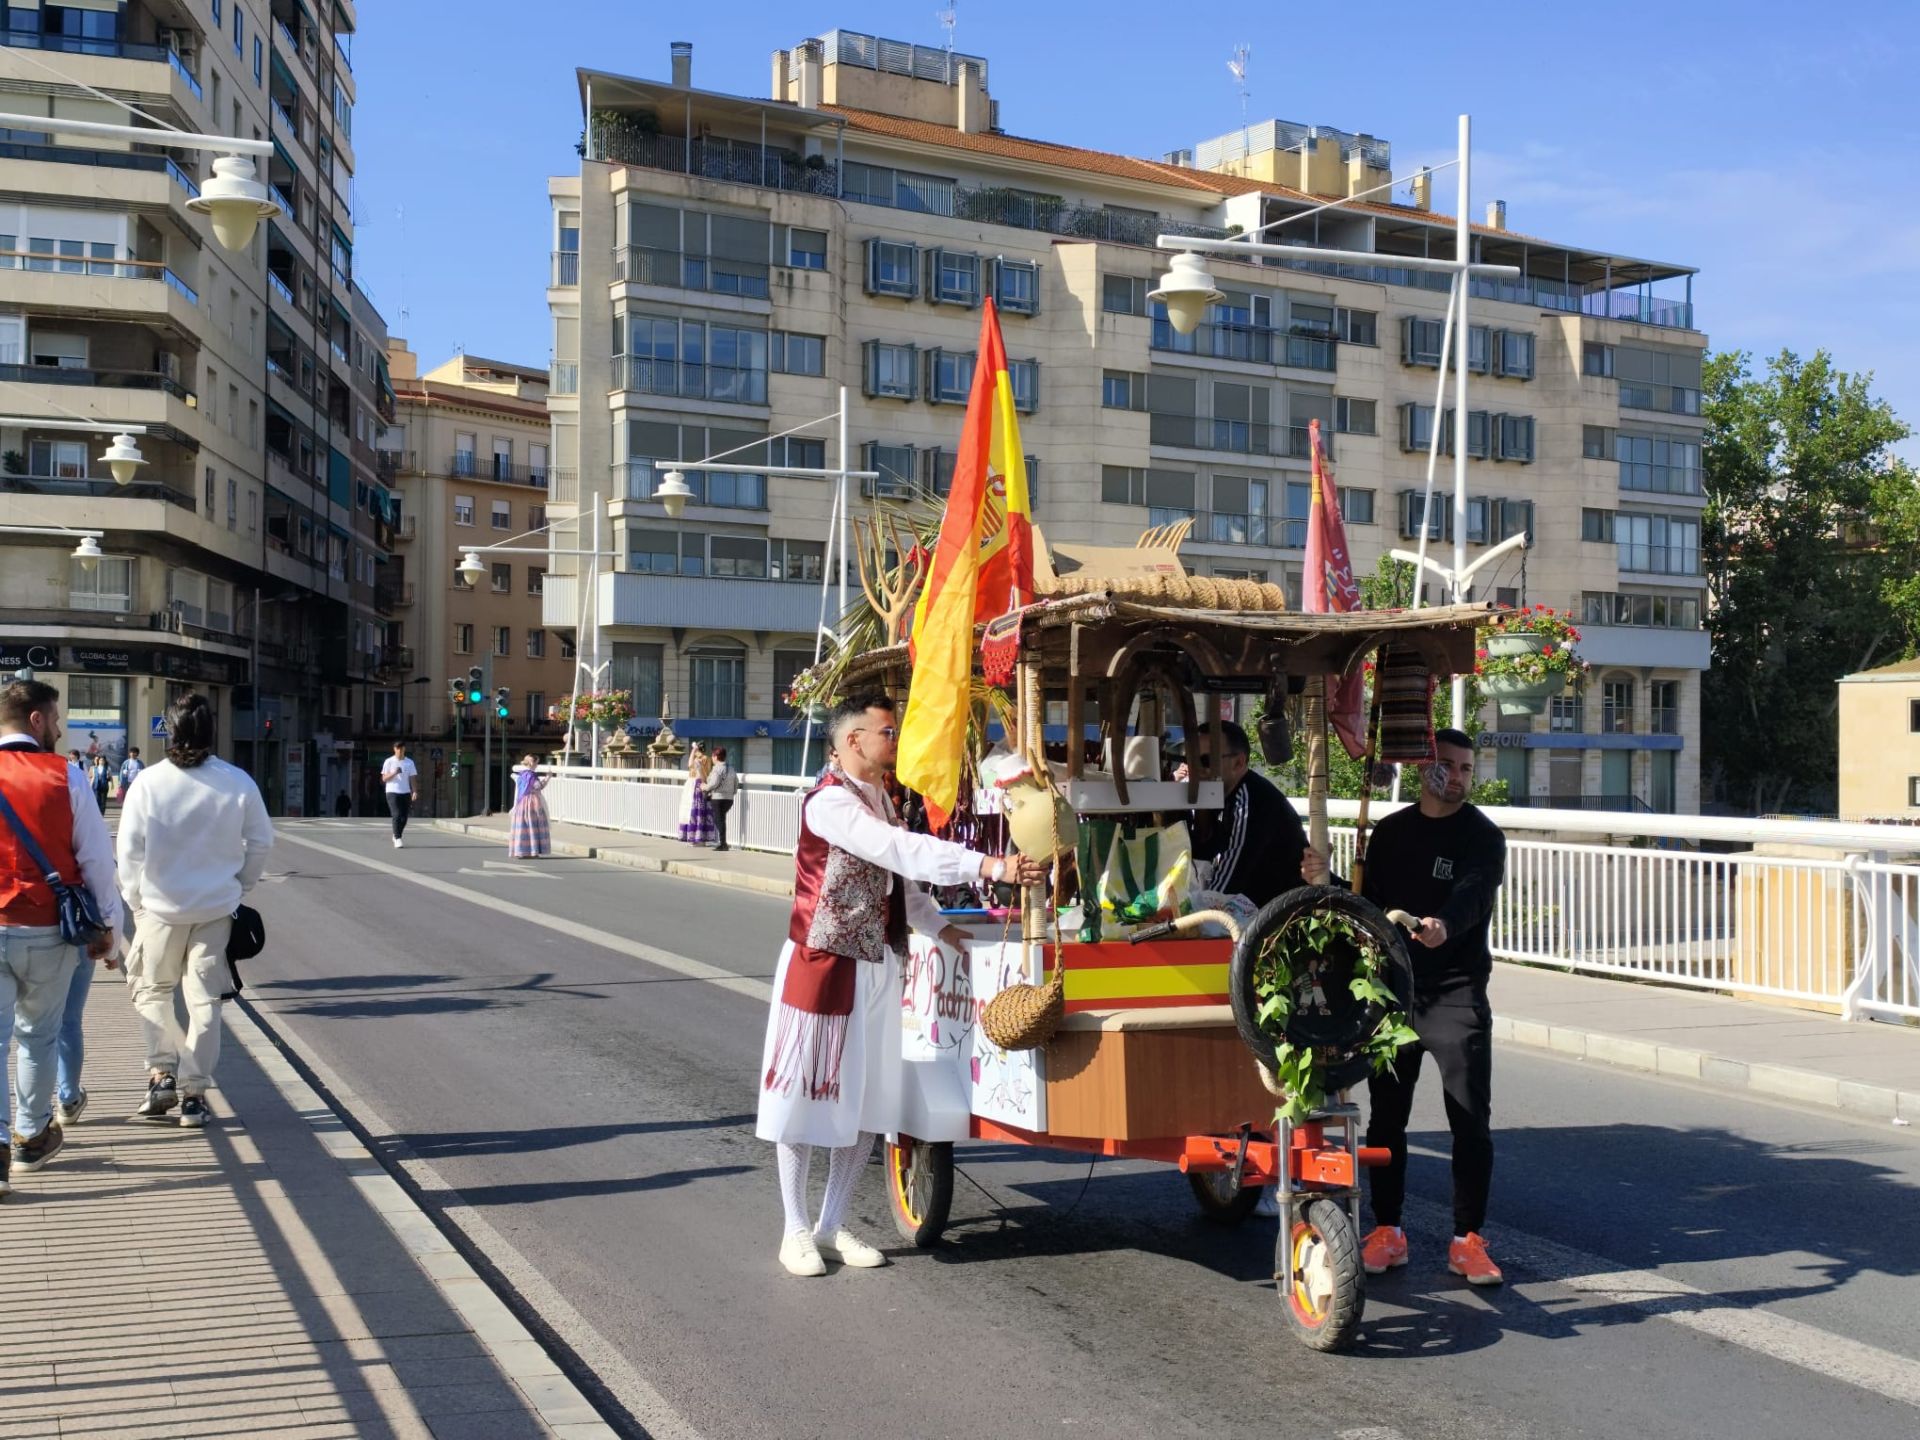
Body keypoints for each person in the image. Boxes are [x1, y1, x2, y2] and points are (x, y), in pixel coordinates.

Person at [756, 694, 1049, 1277]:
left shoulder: (880, 800)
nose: (895, 741)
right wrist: (987, 866)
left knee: (869, 1099)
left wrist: (943, 929)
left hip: (875, 966)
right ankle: (794, 1229)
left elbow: (900, 885)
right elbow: (897, 851)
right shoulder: (830, 803)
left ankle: (832, 1224)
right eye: (886, 731)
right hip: (822, 966)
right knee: (804, 1099)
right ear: (851, 741)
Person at [1357, 727, 1508, 1287]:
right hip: (1394, 990)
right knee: (1386, 1117)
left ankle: (1467, 1239)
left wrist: (1445, 923)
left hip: (1456, 990)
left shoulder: (1483, 836)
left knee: (1470, 1119)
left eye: (1468, 768)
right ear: (1426, 769)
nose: (1459, 777)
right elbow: (1366, 902)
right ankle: (1387, 1231)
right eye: (1448, 765)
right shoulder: (1392, 833)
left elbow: (1474, 891)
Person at [118, 693, 273, 1129]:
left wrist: (136, 902)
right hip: (215, 909)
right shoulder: (237, 781)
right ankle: (194, 1093)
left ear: (170, 732)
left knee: (153, 991)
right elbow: (261, 842)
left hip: (160, 909)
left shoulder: (148, 783)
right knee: (205, 1000)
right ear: (211, 731)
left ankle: (161, 1073)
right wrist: (239, 886)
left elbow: (129, 851)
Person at [0, 680, 122, 1192]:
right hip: (47, 930)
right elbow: (96, 859)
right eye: (56, 718)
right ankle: (30, 1137)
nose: (59, 727)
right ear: (36, 720)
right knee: (37, 1036)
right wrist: (110, 929)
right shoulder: (63, 774)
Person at [1184, 721, 1329, 905]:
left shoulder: (1250, 801)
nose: (1196, 770)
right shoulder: (1220, 798)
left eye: (1205, 761)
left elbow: (1225, 886)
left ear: (1239, 762)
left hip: (1285, 918)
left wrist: (1191, 915)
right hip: (1261, 914)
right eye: (1191, 760)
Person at [508, 755, 550, 858]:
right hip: (532, 801)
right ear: (532, 763)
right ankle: (532, 851)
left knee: (523, 825)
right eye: (536, 763)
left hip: (522, 802)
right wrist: (548, 777)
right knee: (533, 825)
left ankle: (521, 851)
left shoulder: (522, 774)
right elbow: (538, 786)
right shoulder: (531, 775)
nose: (537, 765)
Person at [381, 740, 418, 849]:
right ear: (394, 749)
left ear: (404, 749)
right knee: (396, 815)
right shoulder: (389, 761)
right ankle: (397, 838)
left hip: (405, 792)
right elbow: (384, 778)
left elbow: (412, 778)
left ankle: (396, 833)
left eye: (401, 749)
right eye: (398, 749)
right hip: (392, 792)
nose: (400, 751)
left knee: (404, 817)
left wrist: (414, 791)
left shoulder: (409, 762)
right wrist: (394, 772)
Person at [677, 742, 716, 846]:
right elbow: (691, 766)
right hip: (697, 784)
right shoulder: (703, 758)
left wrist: (693, 751)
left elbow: (691, 766)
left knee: (696, 811)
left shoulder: (701, 758)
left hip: (697, 784)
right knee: (697, 811)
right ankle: (698, 837)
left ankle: (697, 837)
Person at [705, 745, 738, 852]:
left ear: (715, 756)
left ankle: (723, 844)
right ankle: (723, 843)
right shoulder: (731, 768)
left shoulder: (717, 769)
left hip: (718, 798)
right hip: (729, 799)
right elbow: (736, 782)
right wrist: (733, 792)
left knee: (718, 819)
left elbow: (713, 783)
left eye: (713, 756)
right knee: (721, 819)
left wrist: (704, 787)